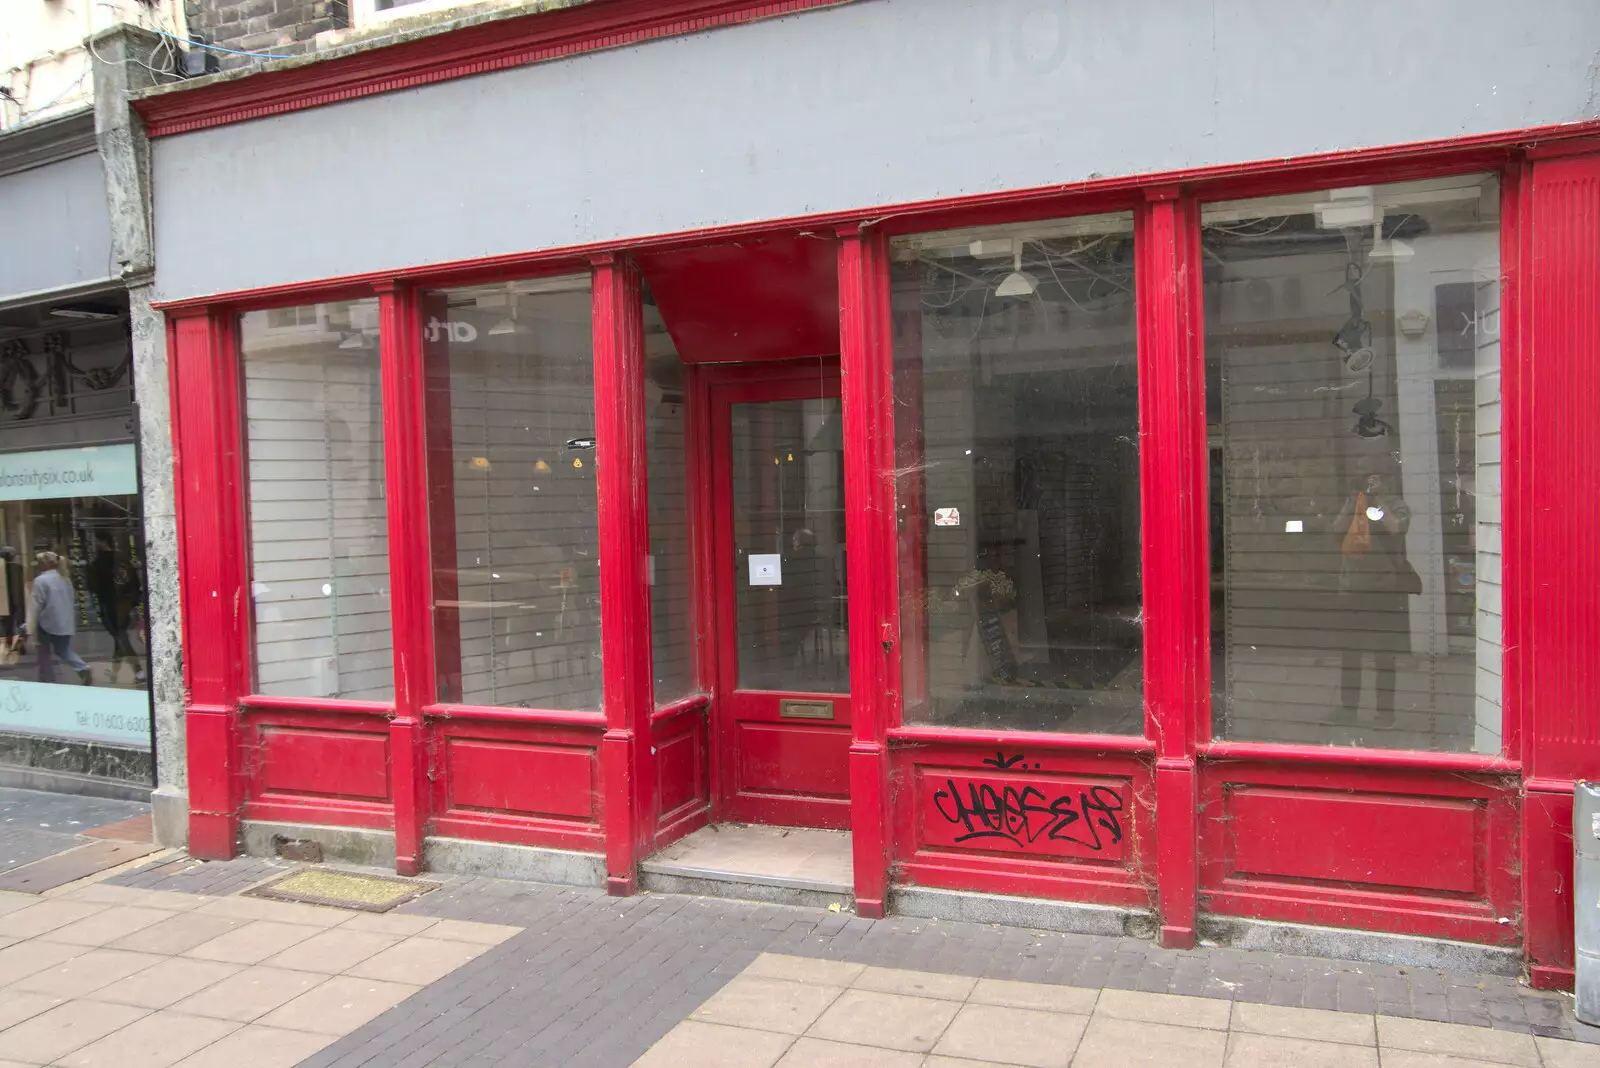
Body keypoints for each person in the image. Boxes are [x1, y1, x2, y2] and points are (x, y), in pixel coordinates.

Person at [1333, 472, 1419, 727]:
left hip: (1383, 589)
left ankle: (1385, 714)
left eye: (1375, 481)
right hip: (1351, 589)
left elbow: (1397, 528)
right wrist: (1353, 502)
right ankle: (1348, 710)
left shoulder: (1395, 504)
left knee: (1383, 654)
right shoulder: (1355, 503)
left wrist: (1380, 499)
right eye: (1366, 481)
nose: (1370, 486)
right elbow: (1336, 530)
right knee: (1350, 653)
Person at [85, 534, 144, 683]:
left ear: (103, 542)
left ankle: (138, 671)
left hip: (110, 604)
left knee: (120, 636)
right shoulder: (123, 559)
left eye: (96, 541)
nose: (94, 544)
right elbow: (134, 582)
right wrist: (133, 601)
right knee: (119, 638)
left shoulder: (98, 564)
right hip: (125, 603)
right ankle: (114, 672)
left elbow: (93, 586)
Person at [30, 551, 91, 686]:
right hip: (65, 621)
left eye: (39, 562)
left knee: (44, 652)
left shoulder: (40, 580)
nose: (37, 565)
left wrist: (29, 625)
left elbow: (36, 605)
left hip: (46, 622)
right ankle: (82, 667)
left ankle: (47, 679)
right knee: (63, 649)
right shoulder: (65, 578)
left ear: (44, 564)